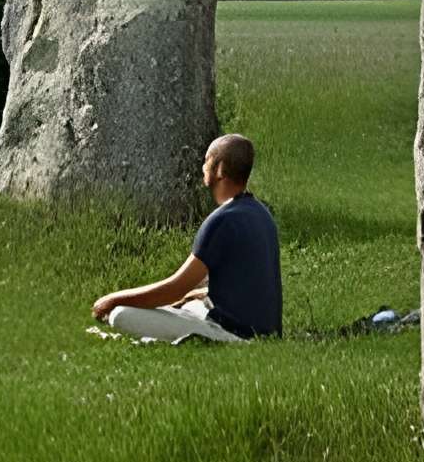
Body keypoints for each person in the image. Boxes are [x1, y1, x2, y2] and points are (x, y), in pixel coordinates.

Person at [92, 133, 282, 343]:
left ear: (219, 169)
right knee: (190, 303)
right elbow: (242, 283)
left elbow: (176, 288)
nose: (203, 167)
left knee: (120, 314)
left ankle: (205, 338)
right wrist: (195, 295)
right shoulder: (261, 212)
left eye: (207, 160)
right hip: (264, 331)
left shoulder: (222, 220)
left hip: (234, 333)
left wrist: (111, 299)